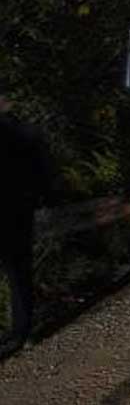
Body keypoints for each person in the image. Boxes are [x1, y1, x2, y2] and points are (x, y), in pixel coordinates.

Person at [0, 93, 54, 355]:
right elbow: (44, 173)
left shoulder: (23, 133)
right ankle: (22, 332)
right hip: (19, 211)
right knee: (19, 274)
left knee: (17, 273)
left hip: (13, 209)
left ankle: (17, 333)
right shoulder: (28, 133)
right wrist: (43, 201)